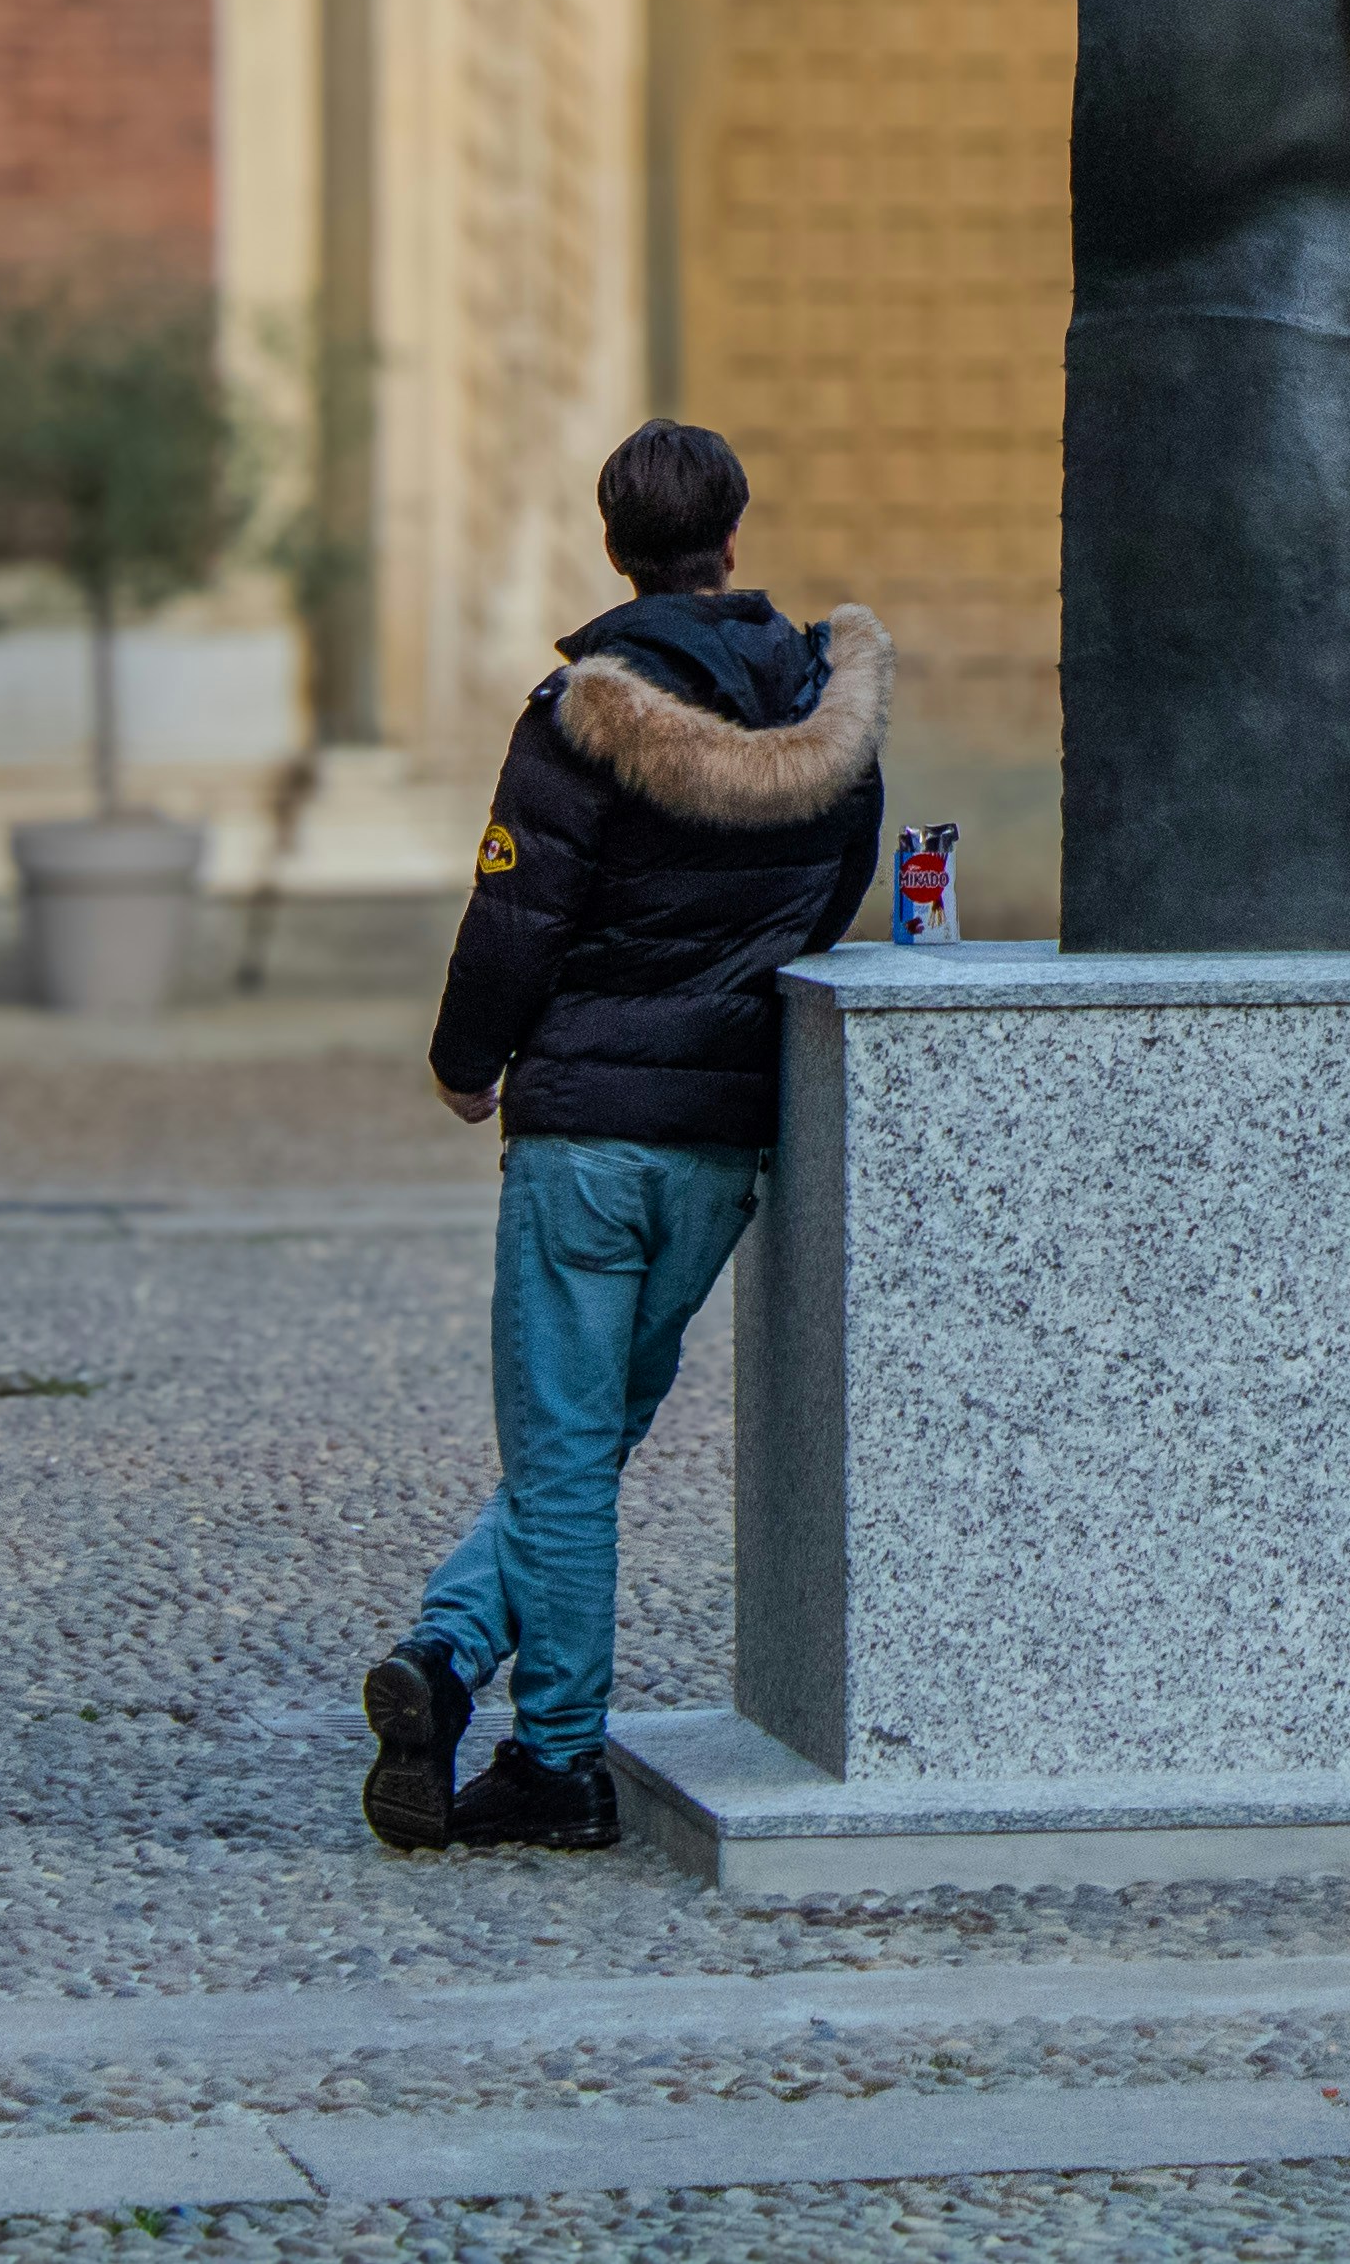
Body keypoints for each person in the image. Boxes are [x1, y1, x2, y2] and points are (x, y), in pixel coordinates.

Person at [362, 421, 888, 1854]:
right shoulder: (825, 711)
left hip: (584, 1140)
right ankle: (446, 1654)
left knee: (561, 1449)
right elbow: (833, 890)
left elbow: (515, 913)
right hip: (718, 1138)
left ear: (614, 546)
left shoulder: (576, 714)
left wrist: (465, 1064)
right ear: (733, 532)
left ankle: (557, 1760)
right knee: (589, 1439)